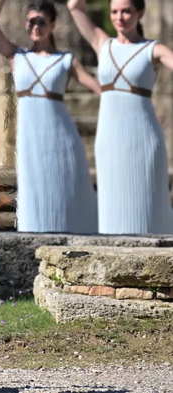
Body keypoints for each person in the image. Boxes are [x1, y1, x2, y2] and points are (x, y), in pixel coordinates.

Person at [0, 0, 100, 234]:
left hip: (61, 137)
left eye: (41, 22)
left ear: (52, 25)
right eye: (30, 22)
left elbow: (98, 87)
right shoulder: (16, 56)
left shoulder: (65, 60)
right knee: (32, 190)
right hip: (30, 138)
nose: (35, 27)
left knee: (66, 188)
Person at [68, 0, 173, 234]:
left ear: (140, 13)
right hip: (109, 138)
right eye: (114, 12)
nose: (120, 17)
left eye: (126, 11)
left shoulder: (153, 49)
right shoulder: (102, 44)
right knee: (112, 205)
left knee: (149, 204)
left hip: (143, 138)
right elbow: (74, 6)